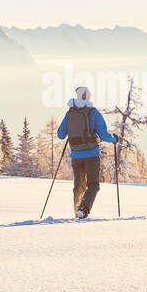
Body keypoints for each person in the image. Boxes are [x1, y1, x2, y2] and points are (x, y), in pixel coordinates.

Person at [56, 85, 120, 218]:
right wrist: (113, 139)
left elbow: (61, 135)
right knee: (93, 185)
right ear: (89, 97)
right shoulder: (93, 113)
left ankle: (77, 211)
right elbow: (103, 134)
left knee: (79, 184)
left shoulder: (70, 113)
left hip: (76, 155)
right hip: (91, 154)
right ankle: (83, 210)